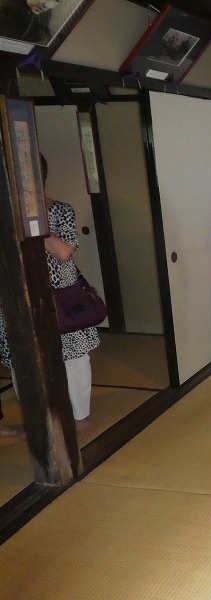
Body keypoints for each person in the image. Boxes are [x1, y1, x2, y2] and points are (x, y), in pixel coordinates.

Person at [0, 153, 100, 431]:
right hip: (16, 299)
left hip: (61, 299)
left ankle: (79, 418)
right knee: (23, 361)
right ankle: (38, 421)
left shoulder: (59, 210)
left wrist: (31, 220)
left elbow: (65, 252)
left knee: (73, 357)